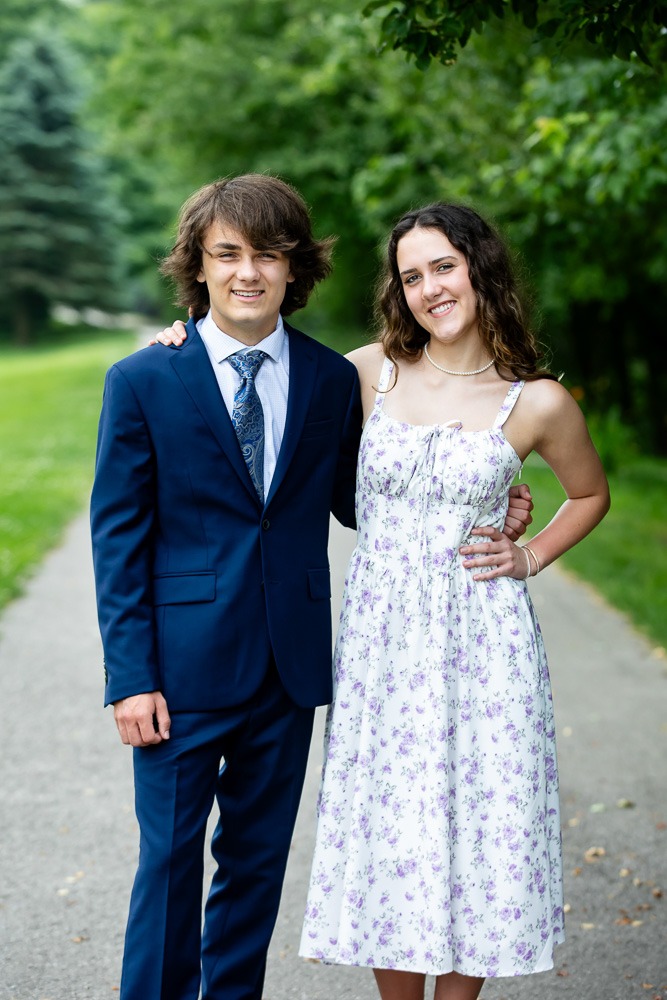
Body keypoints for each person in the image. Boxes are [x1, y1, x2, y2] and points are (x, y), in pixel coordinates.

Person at [132, 180, 532, 1000]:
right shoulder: (148, 376)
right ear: (197, 268)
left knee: (254, 869)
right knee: (168, 864)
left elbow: (363, 497)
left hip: (289, 674)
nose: (247, 272)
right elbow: (119, 540)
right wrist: (129, 676)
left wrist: (490, 499)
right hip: (180, 669)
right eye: (226, 255)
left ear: (295, 268)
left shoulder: (328, 377)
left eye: (267, 254)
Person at [296, 203, 610, 1000]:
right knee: (392, 829)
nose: (429, 288)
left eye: (443, 266)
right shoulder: (367, 371)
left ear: (479, 269)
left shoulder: (534, 401)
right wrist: (182, 337)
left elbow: (588, 494)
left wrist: (529, 553)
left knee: (483, 826)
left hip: (485, 643)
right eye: (411, 276)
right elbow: (264, 371)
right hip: (381, 646)